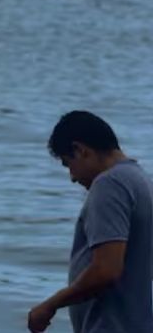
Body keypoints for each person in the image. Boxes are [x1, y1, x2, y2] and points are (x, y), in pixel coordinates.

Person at [27, 111, 153, 333]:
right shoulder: (140, 180)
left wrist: (50, 305)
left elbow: (106, 270)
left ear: (80, 150)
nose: (72, 178)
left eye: (68, 164)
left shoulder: (110, 184)